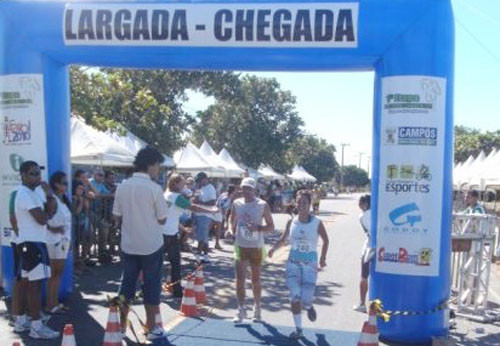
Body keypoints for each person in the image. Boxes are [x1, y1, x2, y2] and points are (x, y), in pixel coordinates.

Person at [112, 147, 168, 341]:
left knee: (126, 284)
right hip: (151, 244)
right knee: (152, 286)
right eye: (158, 166)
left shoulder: (122, 186)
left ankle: (119, 327)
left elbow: (116, 216)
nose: (158, 170)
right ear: (151, 165)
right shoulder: (154, 188)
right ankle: (152, 328)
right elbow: (162, 219)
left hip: (129, 243)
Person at [268, 190, 329, 340]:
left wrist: (322, 258)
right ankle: (299, 329)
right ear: (296, 203)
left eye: (305, 203)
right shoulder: (292, 221)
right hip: (293, 264)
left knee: (306, 297)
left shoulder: (317, 222)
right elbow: (283, 239)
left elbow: (326, 240)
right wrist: (273, 249)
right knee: (295, 296)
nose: (302, 205)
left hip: (310, 264)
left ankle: (308, 306)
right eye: (299, 202)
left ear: (309, 205)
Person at [14, 161, 59, 339]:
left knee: (28, 283)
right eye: (33, 173)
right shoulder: (24, 193)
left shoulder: (34, 193)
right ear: (23, 175)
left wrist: (49, 194)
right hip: (31, 244)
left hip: (31, 244)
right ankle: (36, 326)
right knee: (35, 285)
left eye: (38, 174)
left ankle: (22, 321)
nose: (37, 177)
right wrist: (47, 214)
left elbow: (50, 212)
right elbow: (43, 219)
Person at [226, 177, 274, 323]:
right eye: (244, 188)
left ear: (254, 190)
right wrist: (229, 229)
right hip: (240, 246)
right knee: (239, 279)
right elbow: (231, 219)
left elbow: (271, 227)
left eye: (249, 188)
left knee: (255, 279)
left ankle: (257, 308)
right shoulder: (237, 203)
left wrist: (258, 228)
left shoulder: (262, 205)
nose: (246, 191)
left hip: (256, 247)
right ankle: (241, 309)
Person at [163, 174, 218, 298]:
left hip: (167, 233)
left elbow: (170, 217)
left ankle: (174, 289)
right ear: (175, 184)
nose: (184, 186)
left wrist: (183, 229)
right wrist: (212, 211)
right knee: (173, 264)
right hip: (167, 236)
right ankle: (174, 290)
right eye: (182, 183)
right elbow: (194, 208)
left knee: (172, 263)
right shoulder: (176, 197)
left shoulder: (166, 195)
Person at [45, 171, 72, 315]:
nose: (66, 185)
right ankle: (51, 304)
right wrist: (53, 228)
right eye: (64, 182)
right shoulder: (52, 199)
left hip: (63, 240)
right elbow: (44, 219)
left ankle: (53, 303)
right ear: (56, 184)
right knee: (55, 273)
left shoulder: (63, 199)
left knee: (57, 273)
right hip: (55, 241)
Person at [353, 194, 372, 313]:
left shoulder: (362, 216)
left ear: (365, 204)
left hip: (369, 248)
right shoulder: (378, 213)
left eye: (360, 202)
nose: (358, 205)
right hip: (381, 247)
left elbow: (366, 231)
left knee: (364, 276)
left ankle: (362, 303)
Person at [192, 172, 217, 263]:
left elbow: (213, 202)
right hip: (198, 213)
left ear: (205, 179)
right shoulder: (200, 188)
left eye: (200, 180)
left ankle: (198, 255)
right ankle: (205, 255)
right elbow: (195, 198)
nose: (199, 182)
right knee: (203, 236)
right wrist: (195, 198)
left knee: (202, 236)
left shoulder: (211, 188)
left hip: (205, 215)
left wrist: (200, 203)